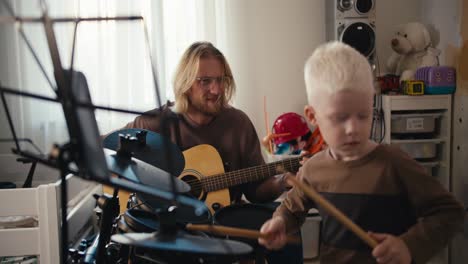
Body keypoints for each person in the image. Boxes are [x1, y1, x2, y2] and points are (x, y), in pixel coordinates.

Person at [258, 41, 465, 264]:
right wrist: (279, 222)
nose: (353, 128)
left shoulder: (393, 164)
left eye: (363, 115)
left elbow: (449, 212)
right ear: (312, 116)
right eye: (340, 118)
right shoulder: (313, 169)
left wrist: (408, 245)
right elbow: (291, 210)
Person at [122, 41, 302, 263]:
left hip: (223, 224)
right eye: (205, 81)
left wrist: (283, 180)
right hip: (167, 229)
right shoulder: (153, 124)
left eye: (221, 80)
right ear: (185, 83)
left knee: (287, 226)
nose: (216, 90)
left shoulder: (238, 123)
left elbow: (256, 192)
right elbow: (110, 150)